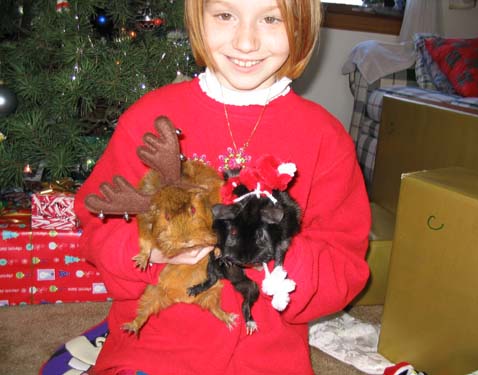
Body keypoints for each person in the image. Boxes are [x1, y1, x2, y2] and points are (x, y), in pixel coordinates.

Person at [74, 0, 371, 374]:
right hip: (154, 341)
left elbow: (345, 263)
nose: (245, 42)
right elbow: (95, 220)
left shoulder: (326, 138)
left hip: (267, 353)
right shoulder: (148, 118)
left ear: (300, 25)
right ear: (199, 18)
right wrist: (151, 249)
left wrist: (273, 255)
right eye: (226, 15)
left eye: (270, 19)